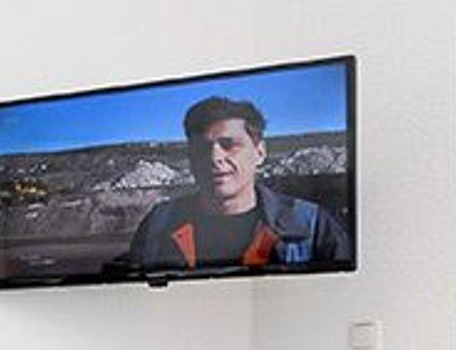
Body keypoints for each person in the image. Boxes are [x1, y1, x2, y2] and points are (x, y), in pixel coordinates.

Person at [118, 95, 351, 274]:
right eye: (201, 148)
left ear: (259, 152)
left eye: (229, 145)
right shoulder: (158, 224)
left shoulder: (312, 226)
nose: (214, 158)